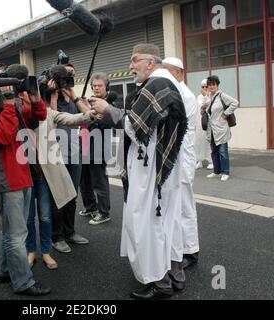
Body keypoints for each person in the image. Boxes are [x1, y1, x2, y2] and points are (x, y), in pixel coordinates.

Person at [90, 43, 187, 300]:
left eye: (135, 61)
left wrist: (107, 109)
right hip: (159, 169)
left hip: (149, 171)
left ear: (150, 63)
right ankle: (172, 274)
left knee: (146, 225)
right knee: (165, 223)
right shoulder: (166, 84)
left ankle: (160, 283)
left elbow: (135, 126)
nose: (130, 66)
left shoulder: (156, 85)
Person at [0, 65, 51, 296]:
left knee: (12, 231)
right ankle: (23, 282)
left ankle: (3, 270)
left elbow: (39, 116)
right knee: (17, 235)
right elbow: (0, 137)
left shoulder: (15, 107)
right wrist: (10, 106)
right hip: (7, 179)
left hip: (23, 175)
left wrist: (34, 98)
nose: (10, 90)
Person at [26, 80, 95, 270]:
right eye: (28, 91)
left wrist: (91, 113)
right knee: (28, 217)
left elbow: (70, 119)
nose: (32, 95)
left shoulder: (47, 112)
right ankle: (31, 250)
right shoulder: (15, 113)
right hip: (23, 173)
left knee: (46, 215)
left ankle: (46, 252)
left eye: (36, 92)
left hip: (44, 174)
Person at [162, 57, 200, 269]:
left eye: (167, 71)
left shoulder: (183, 94)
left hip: (183, 155)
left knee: (186, 205)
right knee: (177, 205)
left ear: (178, 73)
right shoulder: (176, 91)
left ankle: (191, 250)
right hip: (178, 153)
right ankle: (181, 247)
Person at [49, 64, 90, 254]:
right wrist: (53, 97)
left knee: (72, 195)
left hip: (74, 152)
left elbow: (89, 115)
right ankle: (56, 237)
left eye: (70, 76)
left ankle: (70, 232)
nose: (68, 79)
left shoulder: (74, 98)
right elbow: (51, 121)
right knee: (59, 197)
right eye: (64, 76)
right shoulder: (47, 98)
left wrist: (73, 94)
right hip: (56, 154)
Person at [78, 72, 112, 225]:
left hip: (99, 146)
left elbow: (103, 124)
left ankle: (104, 212)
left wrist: (88, 112)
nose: (97, 88)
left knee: (99, 181)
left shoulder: (108, 104)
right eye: (94, 85)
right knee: (84, 180)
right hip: (84, 144)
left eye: (100, 85)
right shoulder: (90, 102)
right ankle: (90, 207)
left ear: (106, 87)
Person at [203, 75, 239, 182]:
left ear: (217, 85)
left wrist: (226, 113)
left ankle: (225, 172)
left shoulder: (222, 95)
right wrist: (203, 108)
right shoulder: (209, 97)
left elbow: (235, 103)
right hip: (212, 130)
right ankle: (216, 171)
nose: (211, 87)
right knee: (214, 151)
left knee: (223, 152)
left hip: (221, 128)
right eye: (209, 85)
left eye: (213, 84)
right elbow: (208, 113)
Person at [195, 79, 213, 170]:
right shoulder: (198, 97)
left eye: (206, 86)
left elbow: (208, 105)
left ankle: (211, 161)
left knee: (208, 142)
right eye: (203, 87)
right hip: (199, 124)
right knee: (199, 142)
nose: (205, 88)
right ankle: (199, 161)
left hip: (208, 123)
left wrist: (206, 96)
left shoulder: (211, 96)